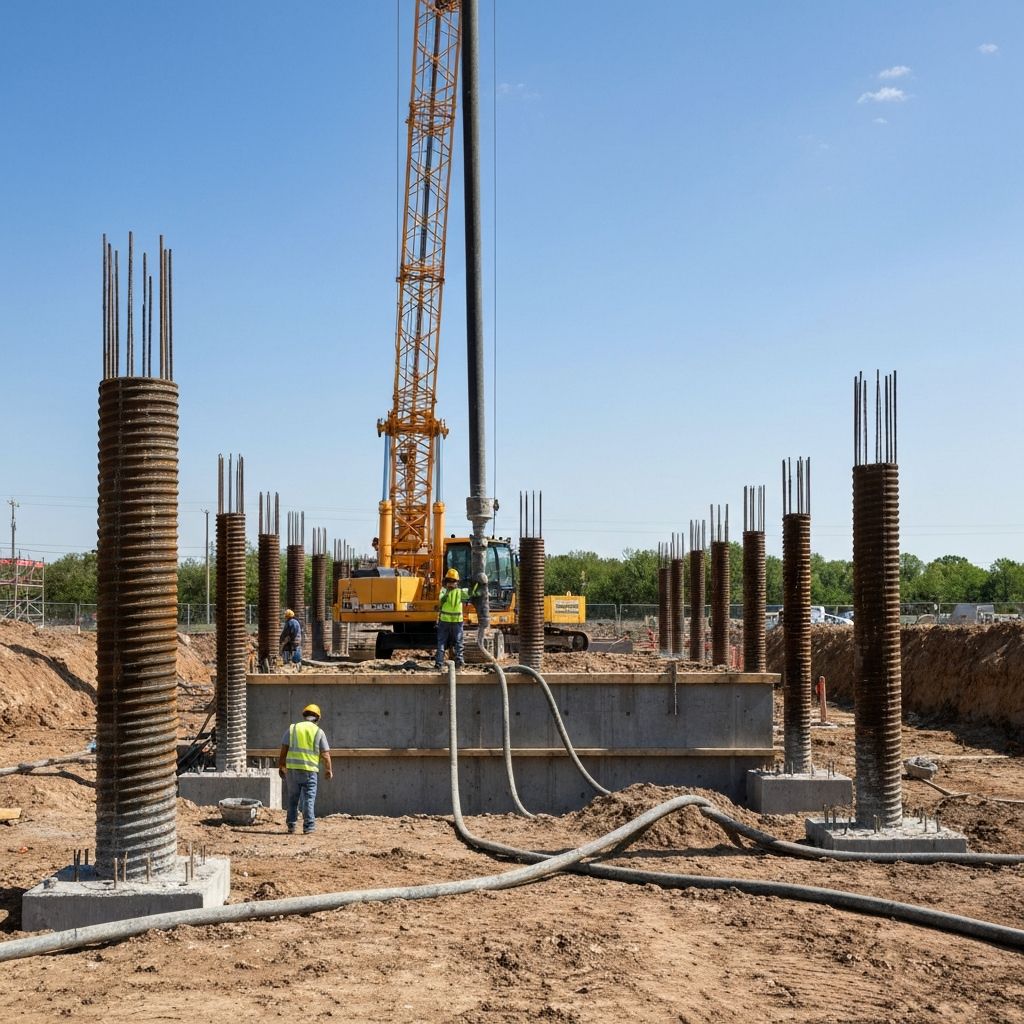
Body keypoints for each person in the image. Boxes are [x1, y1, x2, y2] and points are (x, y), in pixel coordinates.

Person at [278, 703, 332, 834]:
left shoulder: (293, 728)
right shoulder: (319, 732)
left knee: (292, 798)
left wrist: (281, 766)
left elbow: (284, 749)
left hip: (292, 770)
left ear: (304, 715)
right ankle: (309, 826)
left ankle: (291, 825)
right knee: (309, 799)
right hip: (310, 771)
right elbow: (325, 754)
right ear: (318, 718)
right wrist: (328, 770)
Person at [435, 568, 481, 670]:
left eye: (453, 581)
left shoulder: (457, 592)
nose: (451, 584)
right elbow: (442, 600)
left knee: (449, 642)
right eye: (450, 581)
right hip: (451, 622)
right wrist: (448, 592)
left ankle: (448, 662)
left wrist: (475, 584)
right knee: (453, 642)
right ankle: (445, 663)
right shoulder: (446, 591)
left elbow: (471, 592)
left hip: (450, 621)